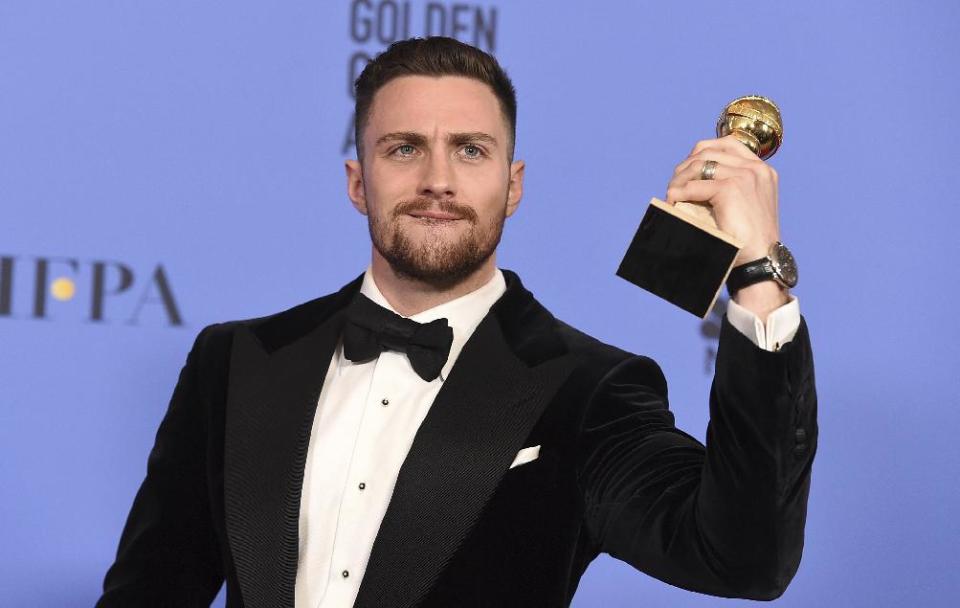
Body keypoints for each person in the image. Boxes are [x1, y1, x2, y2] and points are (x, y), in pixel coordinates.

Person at [97, 36, 816, 608]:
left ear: (513, 185)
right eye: (404, 148)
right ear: (358, 183)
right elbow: (149, 593)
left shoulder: (589, 390)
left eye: (471, 150)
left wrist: (755, 275)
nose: (437, 179)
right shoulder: (235, 362)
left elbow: (743, 560)